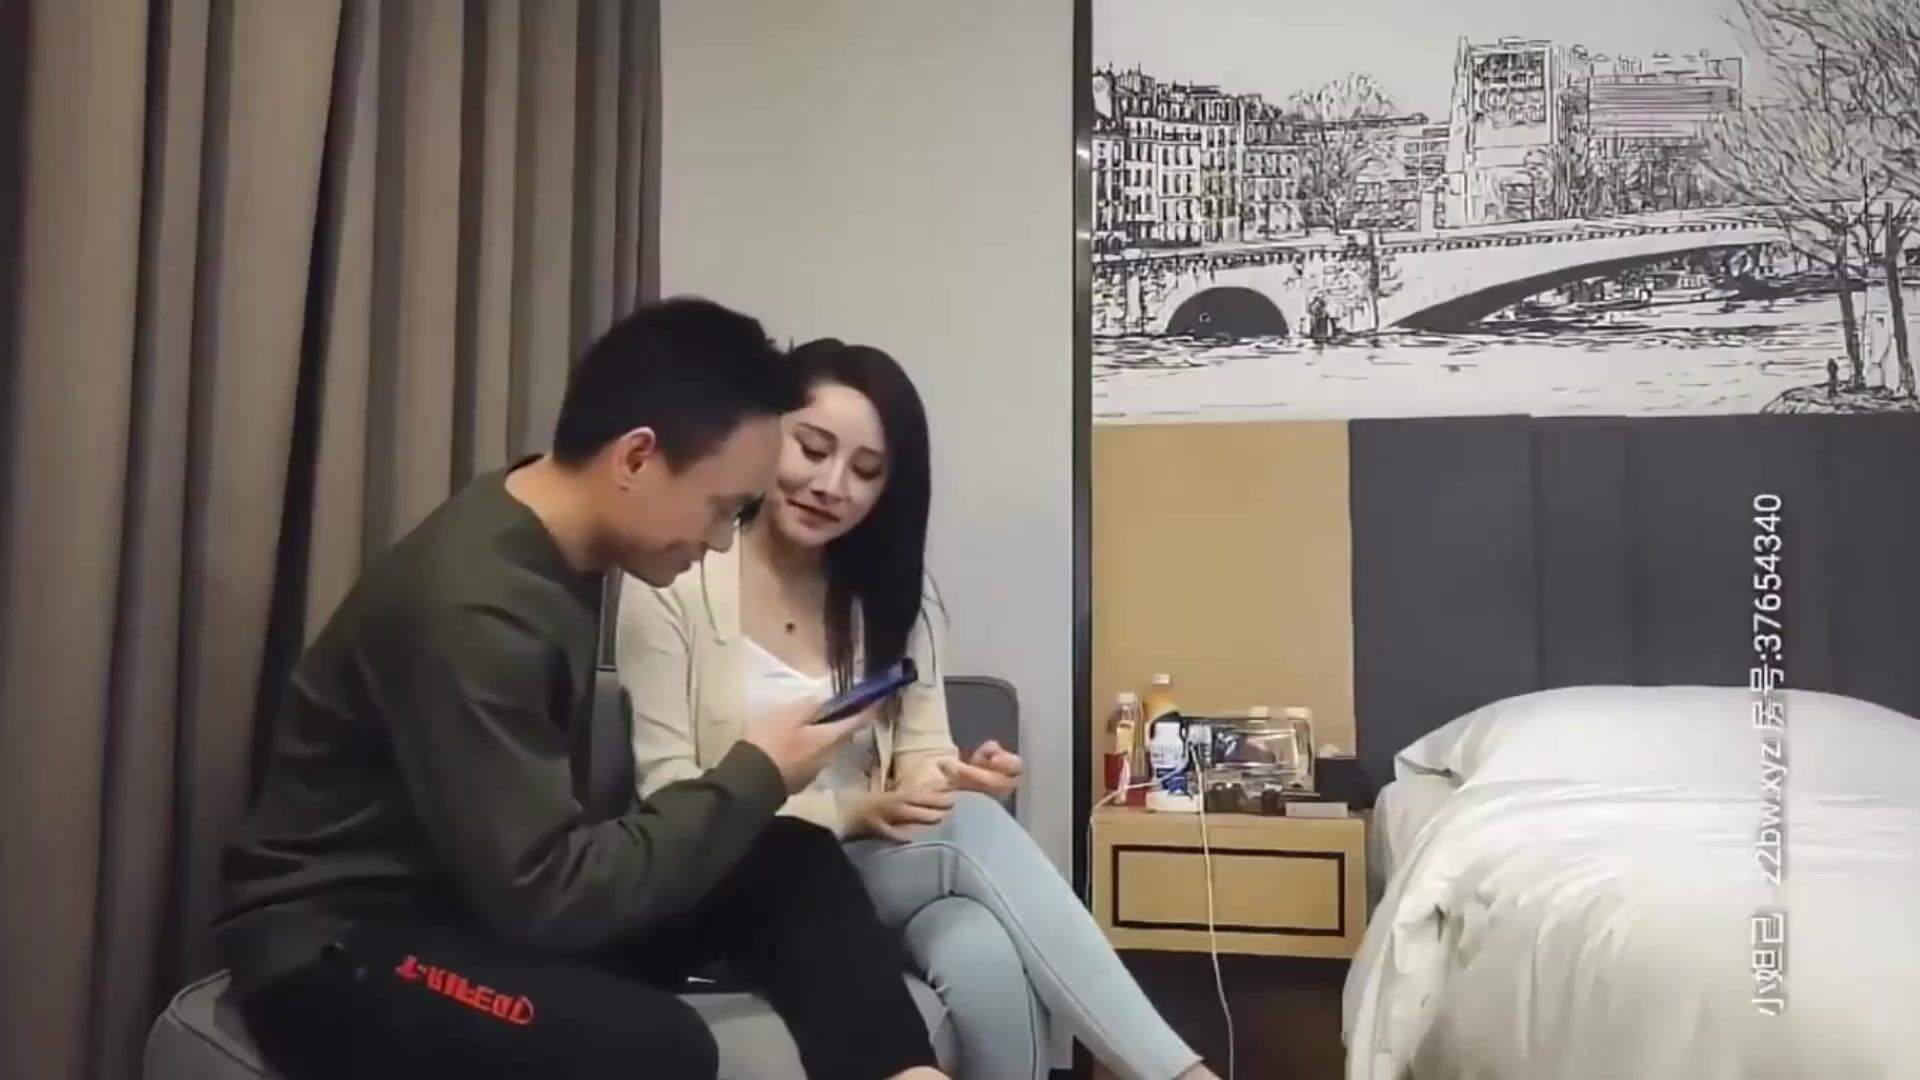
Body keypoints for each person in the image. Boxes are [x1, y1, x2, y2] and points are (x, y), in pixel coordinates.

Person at [213, 300, 950, 1080]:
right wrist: (759, 770)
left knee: (788, 857)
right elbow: (544, 896)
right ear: (636, 459)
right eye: (721, 509)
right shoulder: (476, 606)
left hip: (481, 901)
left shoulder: (557, 538)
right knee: (656, 1045)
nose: (719, 540)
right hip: (345, 944)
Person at [616, 338, 1219, 1080]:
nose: (831, 485)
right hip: (738, 878)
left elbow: (920, 759)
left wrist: (956, 777)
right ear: (766, 434)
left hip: (869, 872)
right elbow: (668, 798)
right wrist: (852, 812)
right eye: (812, 449)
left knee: (980, 948)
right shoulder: (676, 581)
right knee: (971, 833)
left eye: (866, 471)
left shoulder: (895, 599)